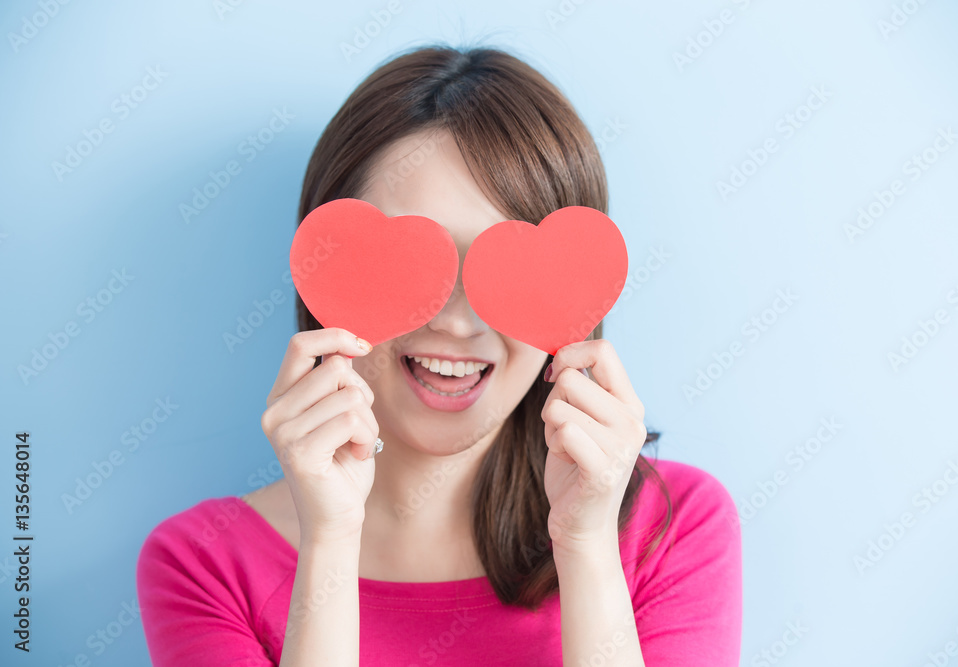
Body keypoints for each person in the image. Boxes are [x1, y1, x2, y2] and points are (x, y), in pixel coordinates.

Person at [136, 44, 742, 666]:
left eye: (505, 270)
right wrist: (332, 541)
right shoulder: (203, 564)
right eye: (406, 265)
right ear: (327, 275)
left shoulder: (672, 528)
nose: (455, 322)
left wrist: (585, 543)